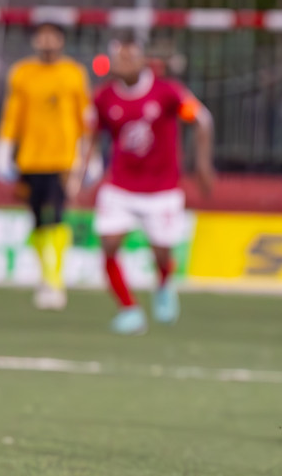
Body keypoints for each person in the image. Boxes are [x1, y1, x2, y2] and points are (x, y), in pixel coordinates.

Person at [70, 34, 215, 335]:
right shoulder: (104, 97)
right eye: (118, 56)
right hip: (120, 185)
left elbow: (202, 119)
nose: (123, 62)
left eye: (129, 56)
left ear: (142, 58)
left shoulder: (167, 93)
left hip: (162, 188)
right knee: (109, 245)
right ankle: (129, 309)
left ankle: (163, 284)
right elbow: (92, 135)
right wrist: (82, 176)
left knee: (162, 251)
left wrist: (202, 165)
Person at [0, 22, 92, 310]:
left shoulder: (74, 73)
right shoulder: (22, 73)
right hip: (31, 158)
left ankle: (55, 279)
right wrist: (4, 147)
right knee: (36, 217)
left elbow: (84, 115)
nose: (47, 41)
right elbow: (13, 114)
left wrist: (89, 154)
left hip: (63, 158)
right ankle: (44, 275)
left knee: (57, 215)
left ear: (61, 40)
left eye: (53, 35)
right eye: (42, 36)